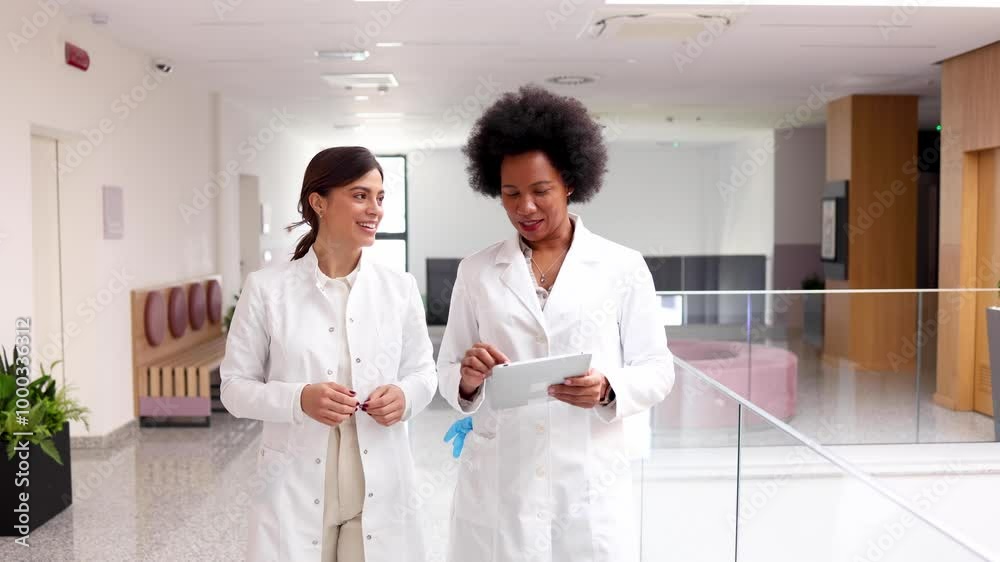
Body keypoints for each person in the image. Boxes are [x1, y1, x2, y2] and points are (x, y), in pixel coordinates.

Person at [437, 85, 675, 561]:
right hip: (502, 479)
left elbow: (657, 368)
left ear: (569, 182)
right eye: (511, 193)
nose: (525, 207)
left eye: (540, 190)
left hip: (587, 478)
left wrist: (608, 387)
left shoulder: (621, 266)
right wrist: (466, 379)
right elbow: (446, 372)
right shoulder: (477, 271)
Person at [221, 146, 435, 562]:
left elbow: (423, 372)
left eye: (380, 197)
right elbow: (234, 388)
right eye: (360, 195)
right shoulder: (267, 289)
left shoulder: (399, 288)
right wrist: (299, 399)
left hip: (378, 482)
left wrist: (406, 397)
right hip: (296, 482)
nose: (375, 209)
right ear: (318, 202)